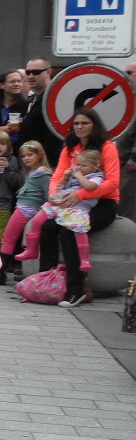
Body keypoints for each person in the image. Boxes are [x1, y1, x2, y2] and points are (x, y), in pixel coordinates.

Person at [27, 110, 120, 307]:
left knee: (70, 231)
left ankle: (76, 290)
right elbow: (58, 175)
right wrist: (54, 194)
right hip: (70, 201)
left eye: (84, 123)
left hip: (103, 203)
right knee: (48, 227)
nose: (79, 127)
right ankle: (47, 285)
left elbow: (112, 182)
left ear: (94, 125)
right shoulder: (69, 148)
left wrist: (80, 194)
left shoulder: (107, 147)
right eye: (76, 123)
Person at [18, 149, 105, 276]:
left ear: (95, 165)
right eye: (78, 164)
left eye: (84, 165)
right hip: (61, 202)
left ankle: (84, 259)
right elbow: (59, 186)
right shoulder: (74, 174)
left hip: (79, 207)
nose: (79, 168)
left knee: (79, 229)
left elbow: (90, 186)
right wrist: (65, 177)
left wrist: (78, 175)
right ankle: (31, 249)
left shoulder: (97, 177)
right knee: (38, 219)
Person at [0, 141, 53, 281]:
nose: (26, 158)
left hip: (26, 209)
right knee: (11, 239)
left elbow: (49, 196)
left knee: (8, 238)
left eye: (30, 155)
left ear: (39, 155)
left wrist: (39, 212)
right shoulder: (29, 173)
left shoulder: (43, 175)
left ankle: (0, 273)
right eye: (23, 156)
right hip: (24, 208)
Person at [17, 56, 62, 168]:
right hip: (30, 164)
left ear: (48, 72)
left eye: (36, 72)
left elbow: (54, 136)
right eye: (28, 72)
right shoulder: (33, 98)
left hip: (47, 165)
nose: (31, 76)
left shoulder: (55, 98)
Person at [121, 58, 136, 223]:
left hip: (129, 160)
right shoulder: (128, 97)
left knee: (127, 200)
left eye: (129, 73)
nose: (125, 76)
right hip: (120, 157)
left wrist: (134, 157)